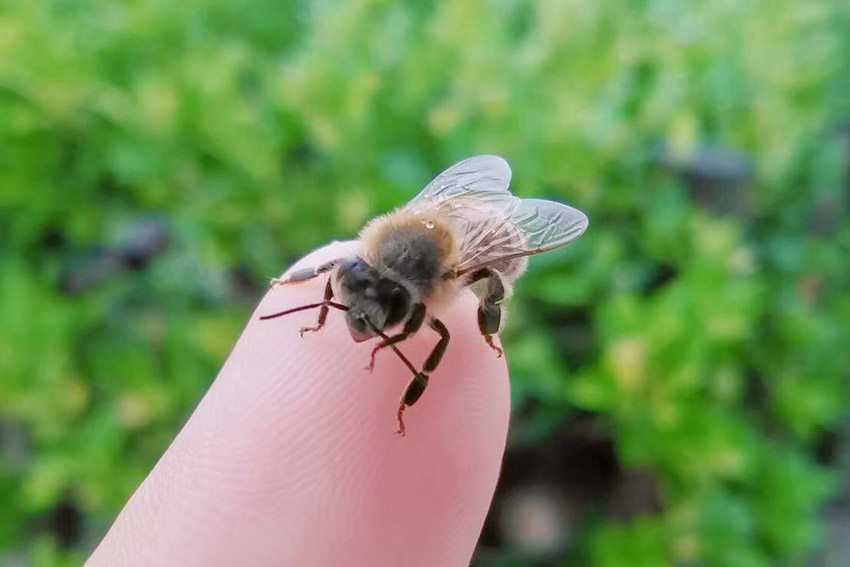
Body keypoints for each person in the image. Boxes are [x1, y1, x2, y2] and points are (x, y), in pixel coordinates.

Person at [86, 241, 511, 566]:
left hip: (472, 243)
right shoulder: (372, 259)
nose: (360, 317)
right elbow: (339, 268)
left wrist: (393, 346)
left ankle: (487, 334)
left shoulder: (446, 274)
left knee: (452, 328)